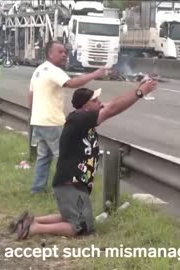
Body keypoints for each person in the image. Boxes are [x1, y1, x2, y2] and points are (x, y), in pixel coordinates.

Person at [11, 79, 158, 240]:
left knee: (72, 218)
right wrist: (139, 93)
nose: (99, 103)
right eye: (94, 101)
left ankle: (29, 221)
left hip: (73, 183)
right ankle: (33, 229)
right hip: (70, 183)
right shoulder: (80, 119)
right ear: (85, 106)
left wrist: (137, 87)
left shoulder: (82, 117)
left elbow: (113, 103)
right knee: (81, 227)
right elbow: (112, 109)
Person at [28, 41, 110, 194]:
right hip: (52, 121)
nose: (65, 55)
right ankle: (63, 190)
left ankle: (37, 189)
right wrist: (95, 74)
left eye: (65, 52)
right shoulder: (53, 70)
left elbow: (30, 94)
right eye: (60, 52)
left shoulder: (39, 70)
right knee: (65, 156)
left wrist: (34, 115)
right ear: (50, 54)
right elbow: (71, 83)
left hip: (39, 121)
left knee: (44, 157)